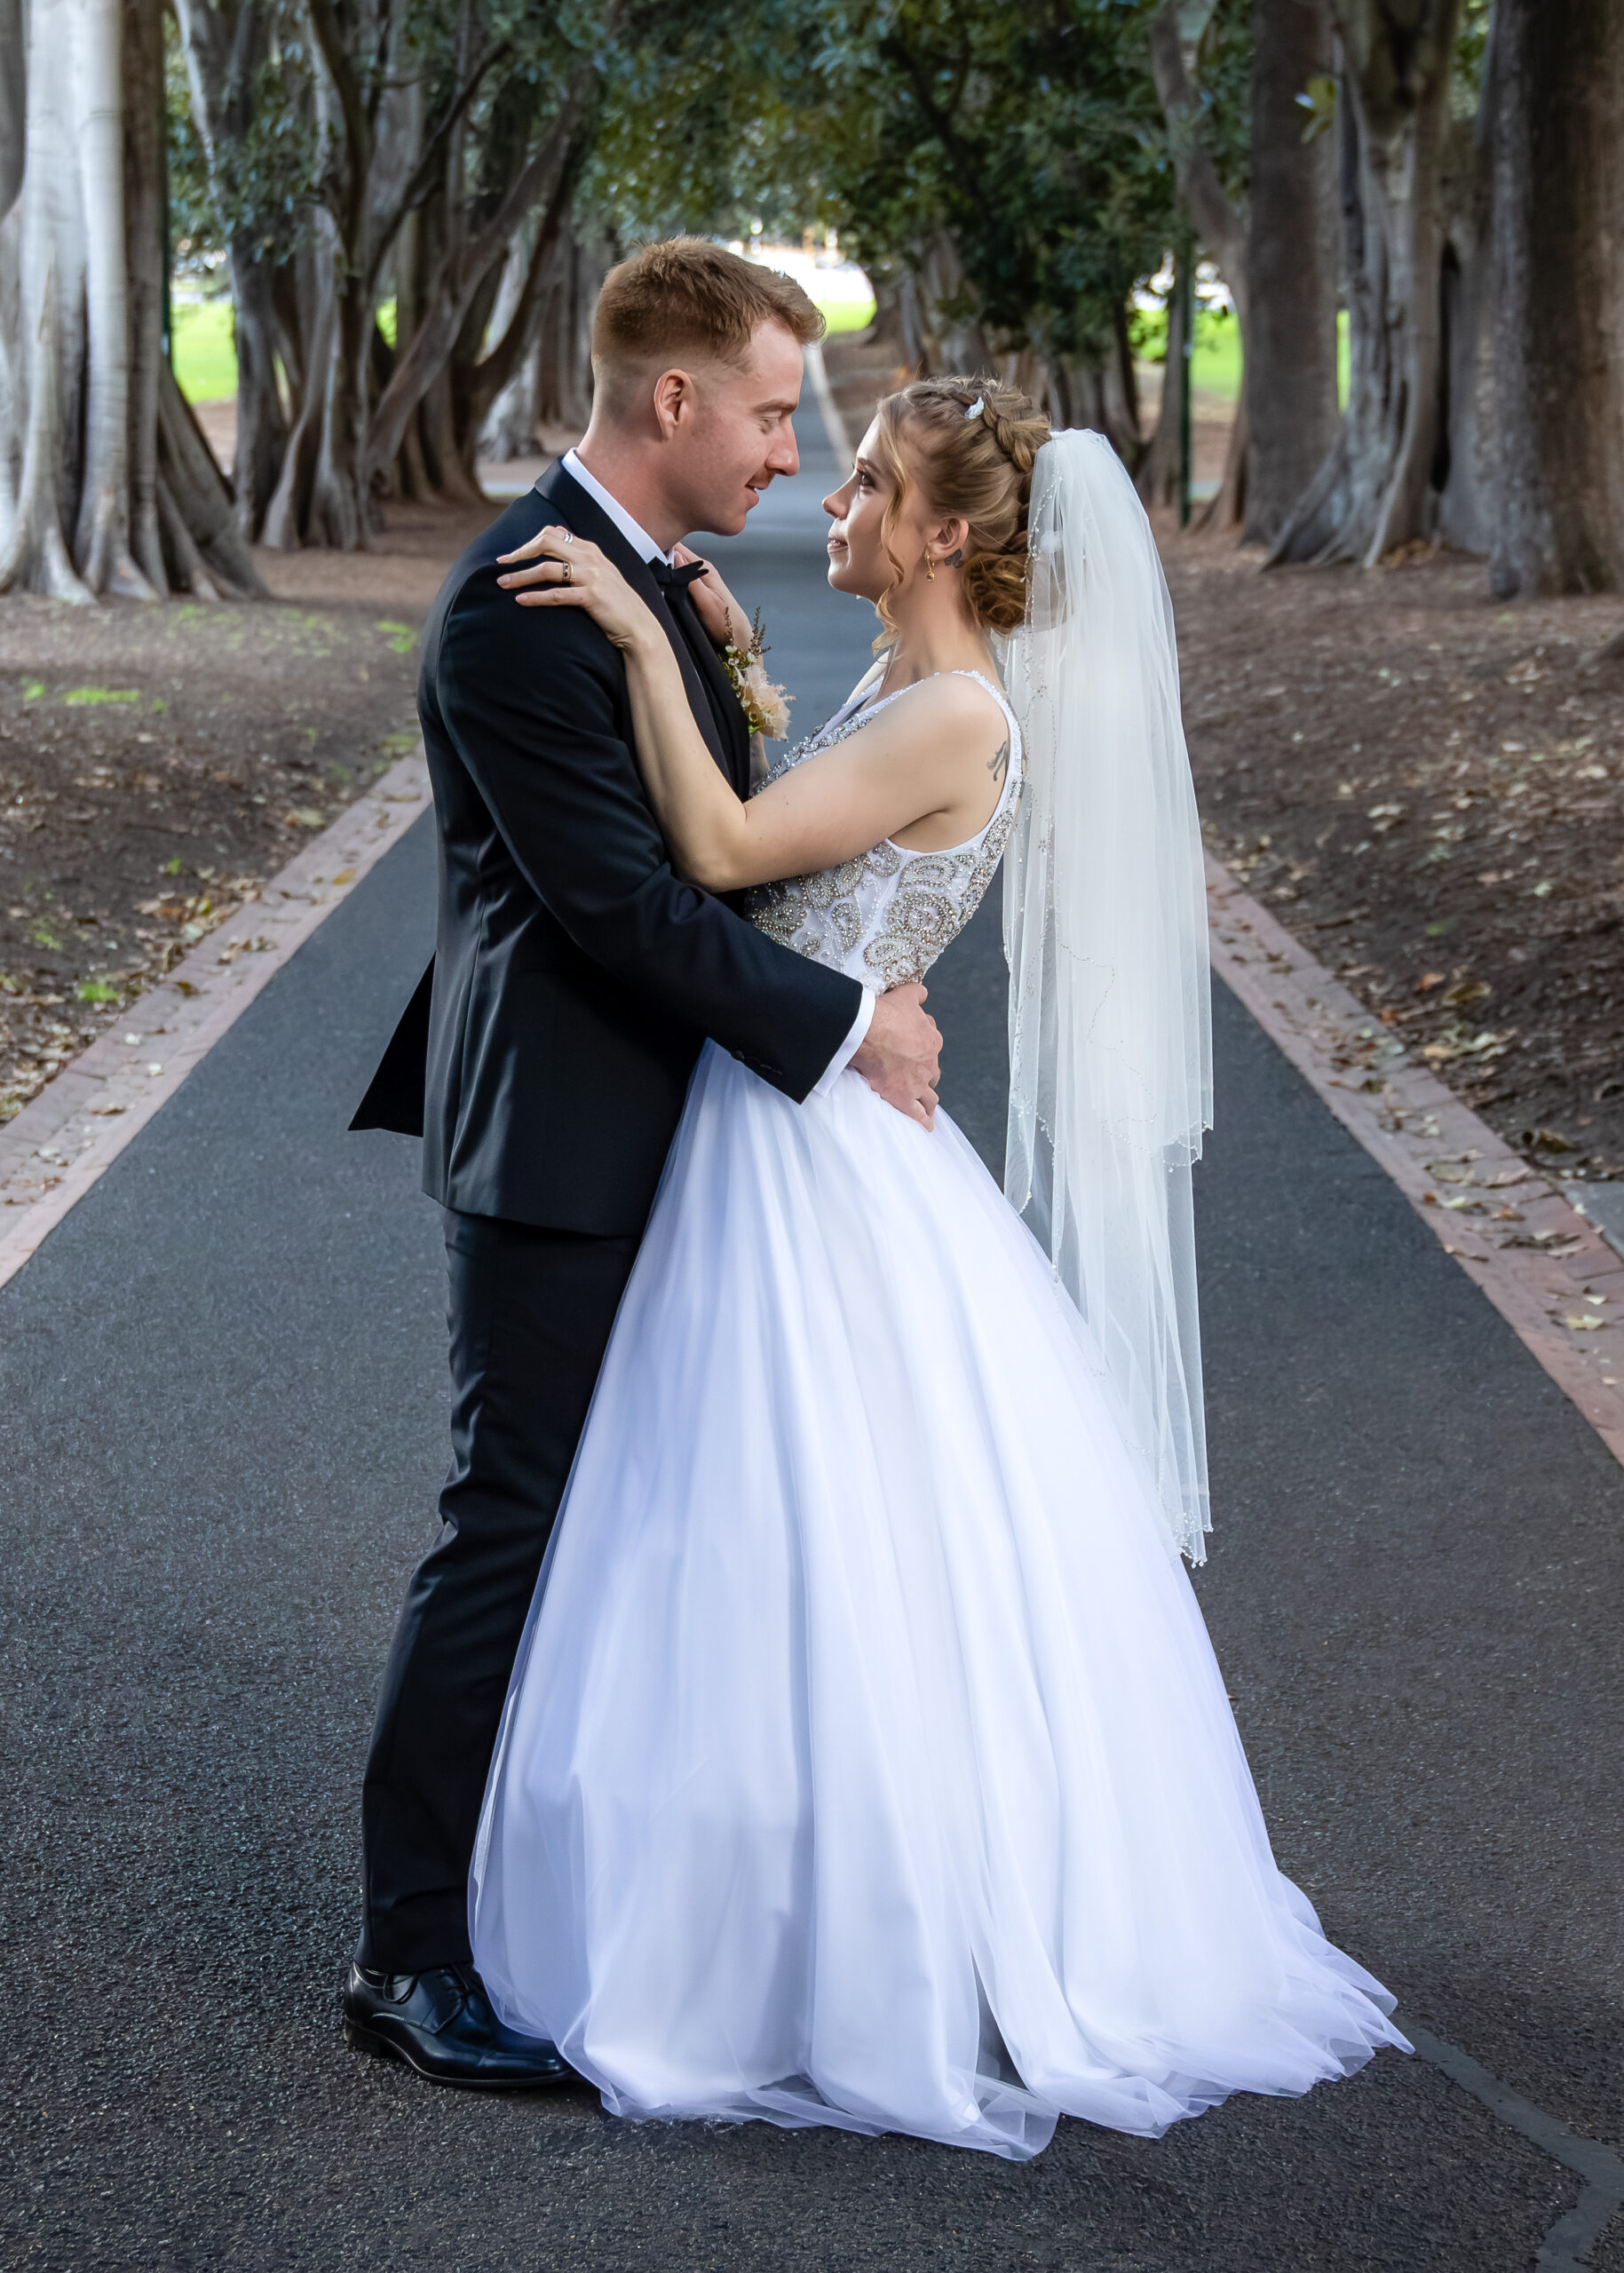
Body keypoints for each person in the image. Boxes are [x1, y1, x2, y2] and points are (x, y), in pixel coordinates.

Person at [465, 376, 1410, 2158]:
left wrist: (646, 644)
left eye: (872, 485)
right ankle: (793, 1893)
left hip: (813, 1160)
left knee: (806, 1533)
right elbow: (813, 868)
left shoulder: (959, 703)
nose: (833, 499)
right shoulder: (914, 685)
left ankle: (851, 1934)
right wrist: (737, 664)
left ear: (945, 534)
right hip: (796, 1126)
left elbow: (735, 855)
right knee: (766, 1530)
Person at [342, 238, 943, 2087]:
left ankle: (588, 1900)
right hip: (564, 1137)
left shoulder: (645, 576)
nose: (788, 449)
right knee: (506, 1529)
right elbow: (613, 903)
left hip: (678, 1133)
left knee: (646, 1534)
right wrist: (846, 1028)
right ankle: (410, 1957)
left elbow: (723, 829)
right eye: (771, 411)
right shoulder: (520, 603)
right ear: (671, 399)